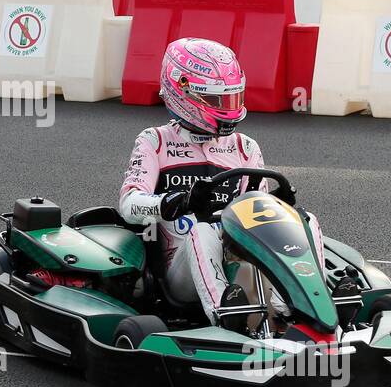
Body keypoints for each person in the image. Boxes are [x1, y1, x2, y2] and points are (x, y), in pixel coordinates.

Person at [119, 38, 298, 322]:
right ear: (184, 92)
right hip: (179, 268)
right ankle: (224, 315)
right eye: (217, 100)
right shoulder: (155, 141)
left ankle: (301, 309)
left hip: (236, 252)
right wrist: (172, 202)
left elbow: (259, 215)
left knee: (302, 220)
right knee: (202, 231)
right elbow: (128, 205)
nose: (227, 108)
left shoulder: (245, 147)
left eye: (232, 98)